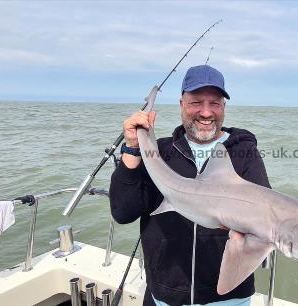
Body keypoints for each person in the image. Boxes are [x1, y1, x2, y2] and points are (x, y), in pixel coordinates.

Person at [109, 64, 271, 306]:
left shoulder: (244, 152)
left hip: (227, 298)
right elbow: (123, 213)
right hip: (165, 294)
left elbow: (265, 220)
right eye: (196, 102)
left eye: (214, 103)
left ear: (224, 107)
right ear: (181, 104)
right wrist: (133, 146)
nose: (206, 112)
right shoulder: (160, 153)